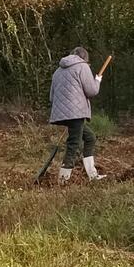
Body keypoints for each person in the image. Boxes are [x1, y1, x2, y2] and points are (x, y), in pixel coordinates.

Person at [49, 46, 105, 182]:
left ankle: (92, 175)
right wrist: (97, 81)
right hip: (76, 113)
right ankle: (63, 179)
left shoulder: (58, 71)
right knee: (74, 143)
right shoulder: (82, 66)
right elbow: (91, 91)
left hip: (61, 113)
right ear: (84, 57)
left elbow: (51, 97)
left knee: (90, 137)